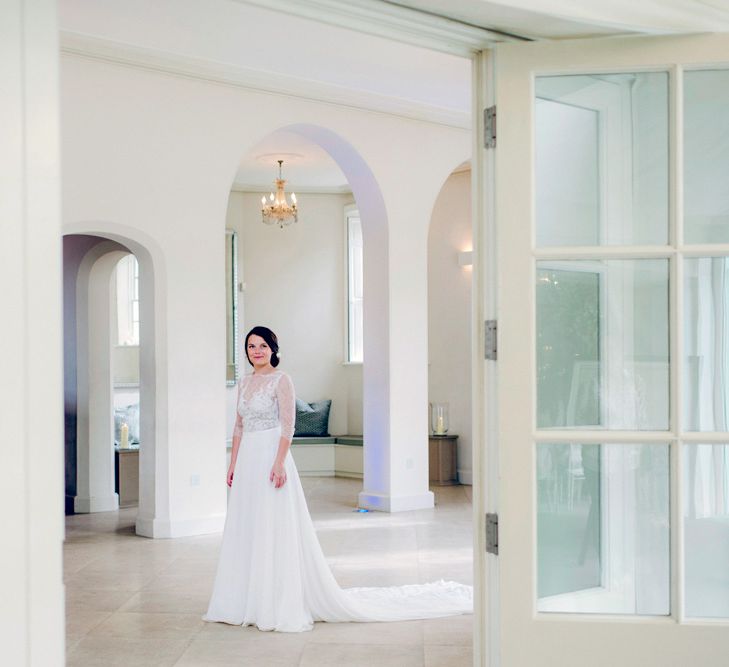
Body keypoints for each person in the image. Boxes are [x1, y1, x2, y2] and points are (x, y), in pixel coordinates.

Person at [203, 325, 472, 632]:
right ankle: (241, 599)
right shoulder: (244, 383)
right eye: (251, 346)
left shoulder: (282, 380)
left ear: (273, 349)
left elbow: (288, 426)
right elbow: (238, 427)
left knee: (271, 525)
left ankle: (272, 600)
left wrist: (278, 463)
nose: (257, 351)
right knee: (247, 524)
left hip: (270, 457)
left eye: (262, 345)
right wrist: (233, 463)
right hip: (248, 458)